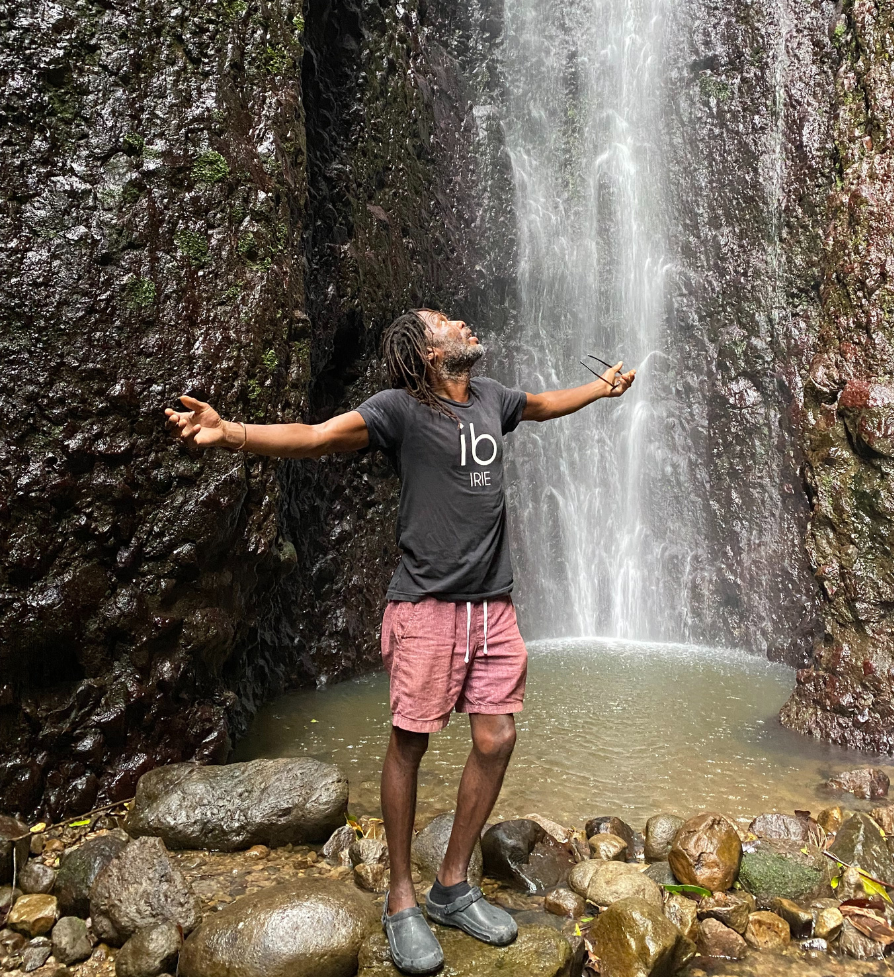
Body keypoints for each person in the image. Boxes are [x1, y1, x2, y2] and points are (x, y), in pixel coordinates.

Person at [165, 309, 635, 974]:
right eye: (445, 322)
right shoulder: (400, 411)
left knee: (497, 737)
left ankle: (452, 885)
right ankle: (400, 900)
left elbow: (541, 404)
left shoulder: (493, 399)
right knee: (409, 744)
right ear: (424, 353)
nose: (463, 322)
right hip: (427, 606)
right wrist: (230, 432)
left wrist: (600, 390)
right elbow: (317, 436)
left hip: (492, 604)